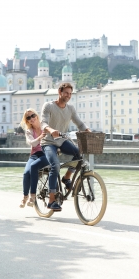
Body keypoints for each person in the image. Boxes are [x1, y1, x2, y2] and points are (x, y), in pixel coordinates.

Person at [41, 82, 91, 211]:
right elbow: (43, 123)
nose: (68, 96)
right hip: (48, 142)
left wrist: (86, 130)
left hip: (62, 140)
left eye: (70, 94)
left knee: (78, 154)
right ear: (60, 92)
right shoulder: (49, 106)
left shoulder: (70, 109)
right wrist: (51, 130)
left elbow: (79, 123)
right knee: (55, 165)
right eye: (66, 93)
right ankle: (51, 200)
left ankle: (66, 178)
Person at [19, 108, 48, 208]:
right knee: (26, 172)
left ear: (37, 115)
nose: (31, 118)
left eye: (33, 115)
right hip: (35, 154)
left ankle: (33, 196)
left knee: (34, 167)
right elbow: (32, 143)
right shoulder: (29, 131)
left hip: (46, 154)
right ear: (27, 121)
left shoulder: (45, 126)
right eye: (28, 117)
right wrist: (40, 137)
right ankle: (25, 197)